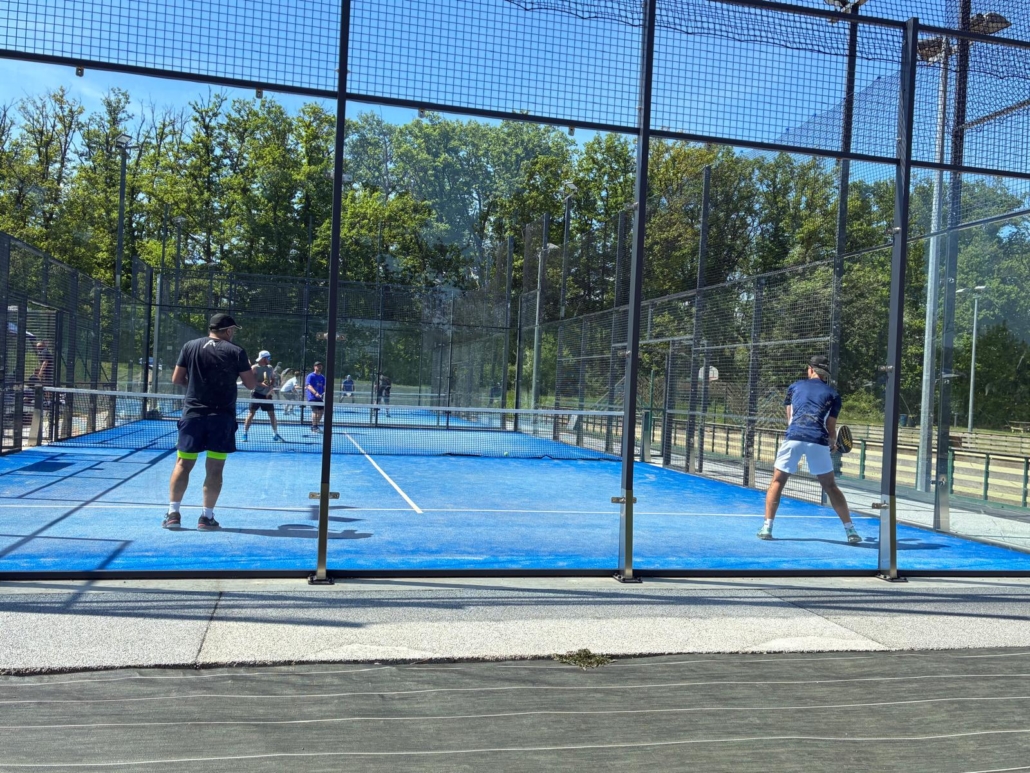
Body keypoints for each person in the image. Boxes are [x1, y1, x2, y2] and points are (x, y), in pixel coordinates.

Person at [164, 313, 256, 531]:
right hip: (221, 419)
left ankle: (173, 514)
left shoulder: (190, 346)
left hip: (192, 416)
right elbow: (251, 384)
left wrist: (196, 387)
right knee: (215, 469)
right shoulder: (237, 351)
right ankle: (206, 518)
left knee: (182, 464)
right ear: (228, 331)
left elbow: (177, 379)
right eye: (232, 331)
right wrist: (249, 368)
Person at [759, 355, 861, 545]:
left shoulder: (794, 387)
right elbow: (831, 428)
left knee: (777, 481)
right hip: (817, 440)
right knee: (830, 486)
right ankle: (850, 530)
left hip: (794, 437)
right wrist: (832, 443)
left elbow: (790, 418)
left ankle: (767, 528)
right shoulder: (833, 395)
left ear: (811, 369)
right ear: (825, 373)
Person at [242, 350, 283, 442]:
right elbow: (250, 380)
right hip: (256, 394)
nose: (270, 360)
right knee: (251, 413)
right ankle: (245, 433)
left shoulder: (270, 368)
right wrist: (261, 384)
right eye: (268, 358)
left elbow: (272, 378)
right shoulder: (254, 368)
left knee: (272, 414)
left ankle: (275, 433)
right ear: (264, 358)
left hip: (267, 395)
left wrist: (271, 386)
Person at [306, 361, 326, 433]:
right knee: (315, 411)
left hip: (320, 398)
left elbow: (324, 387)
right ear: (314, 367)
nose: (319, 367)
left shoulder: (322, 377)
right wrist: (315, 393)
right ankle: (314, 426)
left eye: (320, 366)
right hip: (312, 397)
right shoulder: (310, 376)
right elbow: (308, 386)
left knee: (321, 412)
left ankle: (315, 426)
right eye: (318, 366)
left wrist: (325, 394)